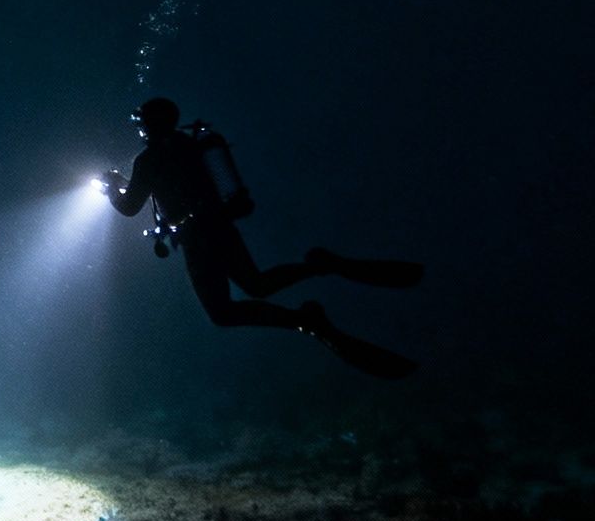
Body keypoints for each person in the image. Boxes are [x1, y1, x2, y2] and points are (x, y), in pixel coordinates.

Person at [100, 96, 423, 379]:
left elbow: (131, 207)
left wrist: (112, 188)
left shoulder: (149, 159)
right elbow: (178, 184)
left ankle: (308, 320)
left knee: (223, 313)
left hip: (198, 239)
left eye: (142, 121)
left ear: (151, 123)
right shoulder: (190, 145)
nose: (139, 127)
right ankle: (321, 267)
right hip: (221, 226)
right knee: (258, 284)